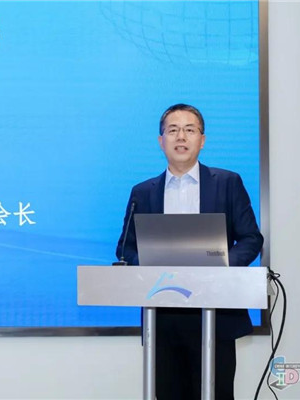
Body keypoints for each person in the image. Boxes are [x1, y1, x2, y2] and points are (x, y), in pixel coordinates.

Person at [115, 104, 264, 400]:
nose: (181, 137)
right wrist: (151, 263)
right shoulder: (142, 192)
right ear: (161, 141)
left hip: (216, 314)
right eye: (172, 130)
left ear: (202, 140)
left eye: (189, 130)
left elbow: (251, 239)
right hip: (162, 318)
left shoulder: (228, 183)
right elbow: (125, 248)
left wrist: (218, 265)